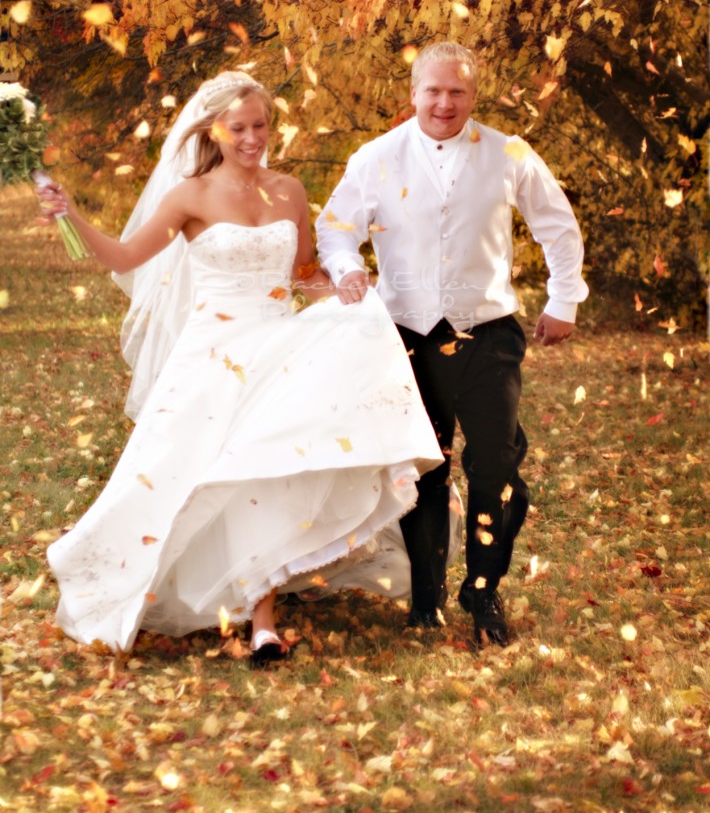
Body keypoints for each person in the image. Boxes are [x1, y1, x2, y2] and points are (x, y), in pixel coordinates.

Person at [36, 71, 453, 663]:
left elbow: (305, 274)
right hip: (210, 355)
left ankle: (263, 621)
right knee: (173, 477)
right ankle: (112, 569)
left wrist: (348, 290)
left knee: (266, 473)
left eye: (261, 125)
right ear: (215, 129)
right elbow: (125, 256)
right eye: (239, 128)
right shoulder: (189, 195)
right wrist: (71, 216)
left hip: (277, 347)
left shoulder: (288, 191)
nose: (253, 137)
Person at [316, 42, 589, 647]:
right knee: (424, 469)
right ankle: (426, 600)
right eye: (432, 90)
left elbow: (558, 225)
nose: (444, 102)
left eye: (457, 92)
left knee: (496, 467)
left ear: (473, 95)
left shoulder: (509, 153)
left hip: (488, 335)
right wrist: (345, 269)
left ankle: (484, 592)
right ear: (413, 93)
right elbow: (334, 229)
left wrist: (563, 300)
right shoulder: (377, 158)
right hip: (406, 335)